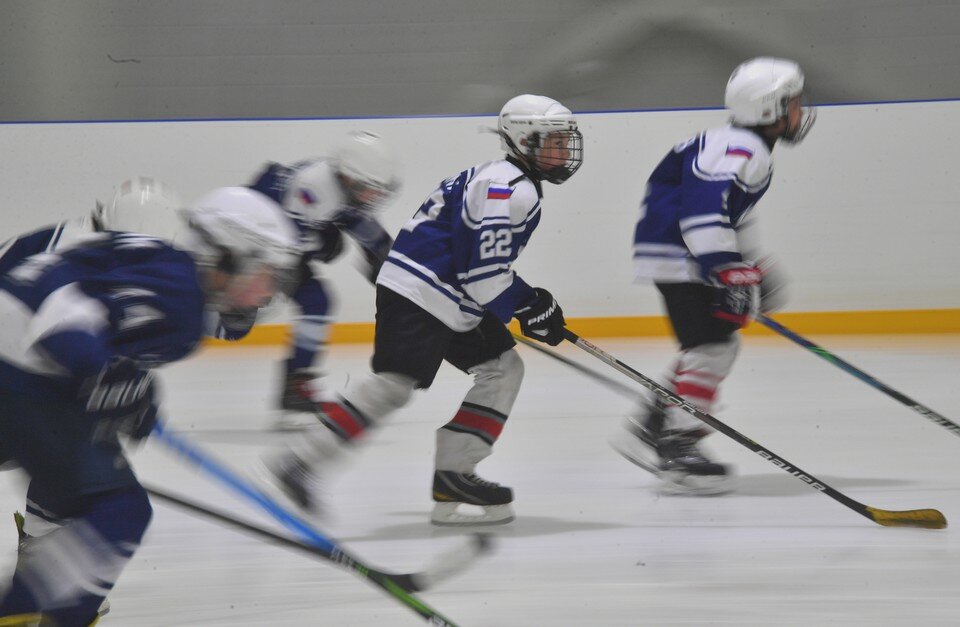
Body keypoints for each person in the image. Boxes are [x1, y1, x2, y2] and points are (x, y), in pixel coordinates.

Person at [262, 94, 583, 526]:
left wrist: (528, 305)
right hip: (422, 292)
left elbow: (478, 273)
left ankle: (455, 472)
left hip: (448, 295)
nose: (564, 151)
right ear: (524, 141)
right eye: (554, 141)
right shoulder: (508, 188)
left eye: (565, 141)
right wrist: (531, 304)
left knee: (503, 368)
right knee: (394, 386)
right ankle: (301, 460)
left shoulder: (504, 179)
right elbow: (485, 275)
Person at [0, 187, 299, 625]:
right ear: (229, 257)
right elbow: (65, 318)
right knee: (122, 512)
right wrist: (106, 378)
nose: (267, 294)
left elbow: (84, 308)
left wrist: (127, 393)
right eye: (266, 275)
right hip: (19, 375)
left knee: (106, 498)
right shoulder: (179, 295)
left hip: (24, 372)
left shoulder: (161, 265)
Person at [612, 57, 815, 495]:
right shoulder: (743, 149)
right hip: (684, 257)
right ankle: (680, 446)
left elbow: (726, 214)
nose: (800, 111)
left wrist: (751, 265)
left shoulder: (734, 145)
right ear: (767, 110)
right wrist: (728, 270)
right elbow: (702, 214)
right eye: (792, 103)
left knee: (709, 346)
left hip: (683, 255)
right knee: (712, 348)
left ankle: (655, 421)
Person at [210, 131, 401, 430]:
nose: (371, 197)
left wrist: (382, 256)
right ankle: (294, 385)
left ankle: (296, 385)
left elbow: (362, 224)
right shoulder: (314, 189)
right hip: (258, 247)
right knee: (235, 325)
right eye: (366, 189)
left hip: (277, 243)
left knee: (318, 301)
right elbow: (285, 246)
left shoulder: (338, 184)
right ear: (347, 177)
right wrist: (328, 245)